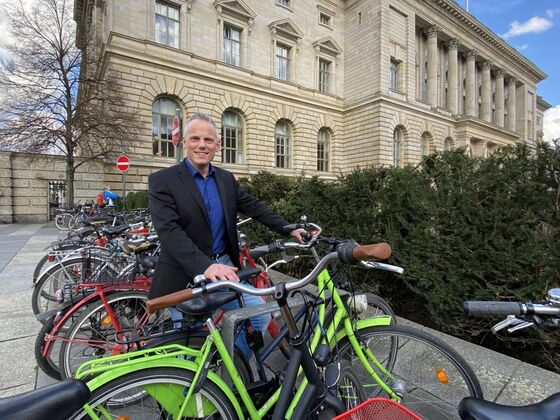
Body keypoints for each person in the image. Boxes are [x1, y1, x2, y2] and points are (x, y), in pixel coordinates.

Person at [148, 112, 305, 360]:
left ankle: (229, 368)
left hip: (223, 266)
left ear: (218, 145)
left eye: (208, 140)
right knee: (190, 342)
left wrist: (288, 228)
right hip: (183, 273)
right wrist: (205, 265)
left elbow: (254, 206)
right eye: (195, 138)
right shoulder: (163, 180)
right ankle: (189, 381)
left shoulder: (225, 178)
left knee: (259, 314)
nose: (202, 145)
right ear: (185, 142)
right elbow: (169, 231)